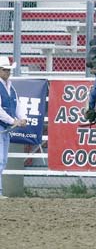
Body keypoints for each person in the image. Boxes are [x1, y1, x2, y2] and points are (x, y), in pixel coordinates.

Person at [0, 57, 27, 199]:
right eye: (5, 70)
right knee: (0, 159)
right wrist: (13, 120)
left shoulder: (10, 87)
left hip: (4, 128)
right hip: (3, 126)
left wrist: (21, 118)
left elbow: (17, 105)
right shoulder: (6, 87)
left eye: (8, 69)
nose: (8, 72)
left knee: (2, 160)